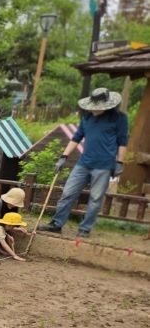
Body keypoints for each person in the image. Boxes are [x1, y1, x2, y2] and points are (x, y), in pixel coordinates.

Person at [39, 88, 129, 238]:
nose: (94, 109)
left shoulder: (119, 118)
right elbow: (76, 137)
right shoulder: (86, 118)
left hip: (104, 165)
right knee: (68, 193)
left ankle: (85, 229)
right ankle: (56, 224)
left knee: (95, 199)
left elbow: (122, 142)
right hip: (83, 163)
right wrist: (64, 156)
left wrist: (119, 162)